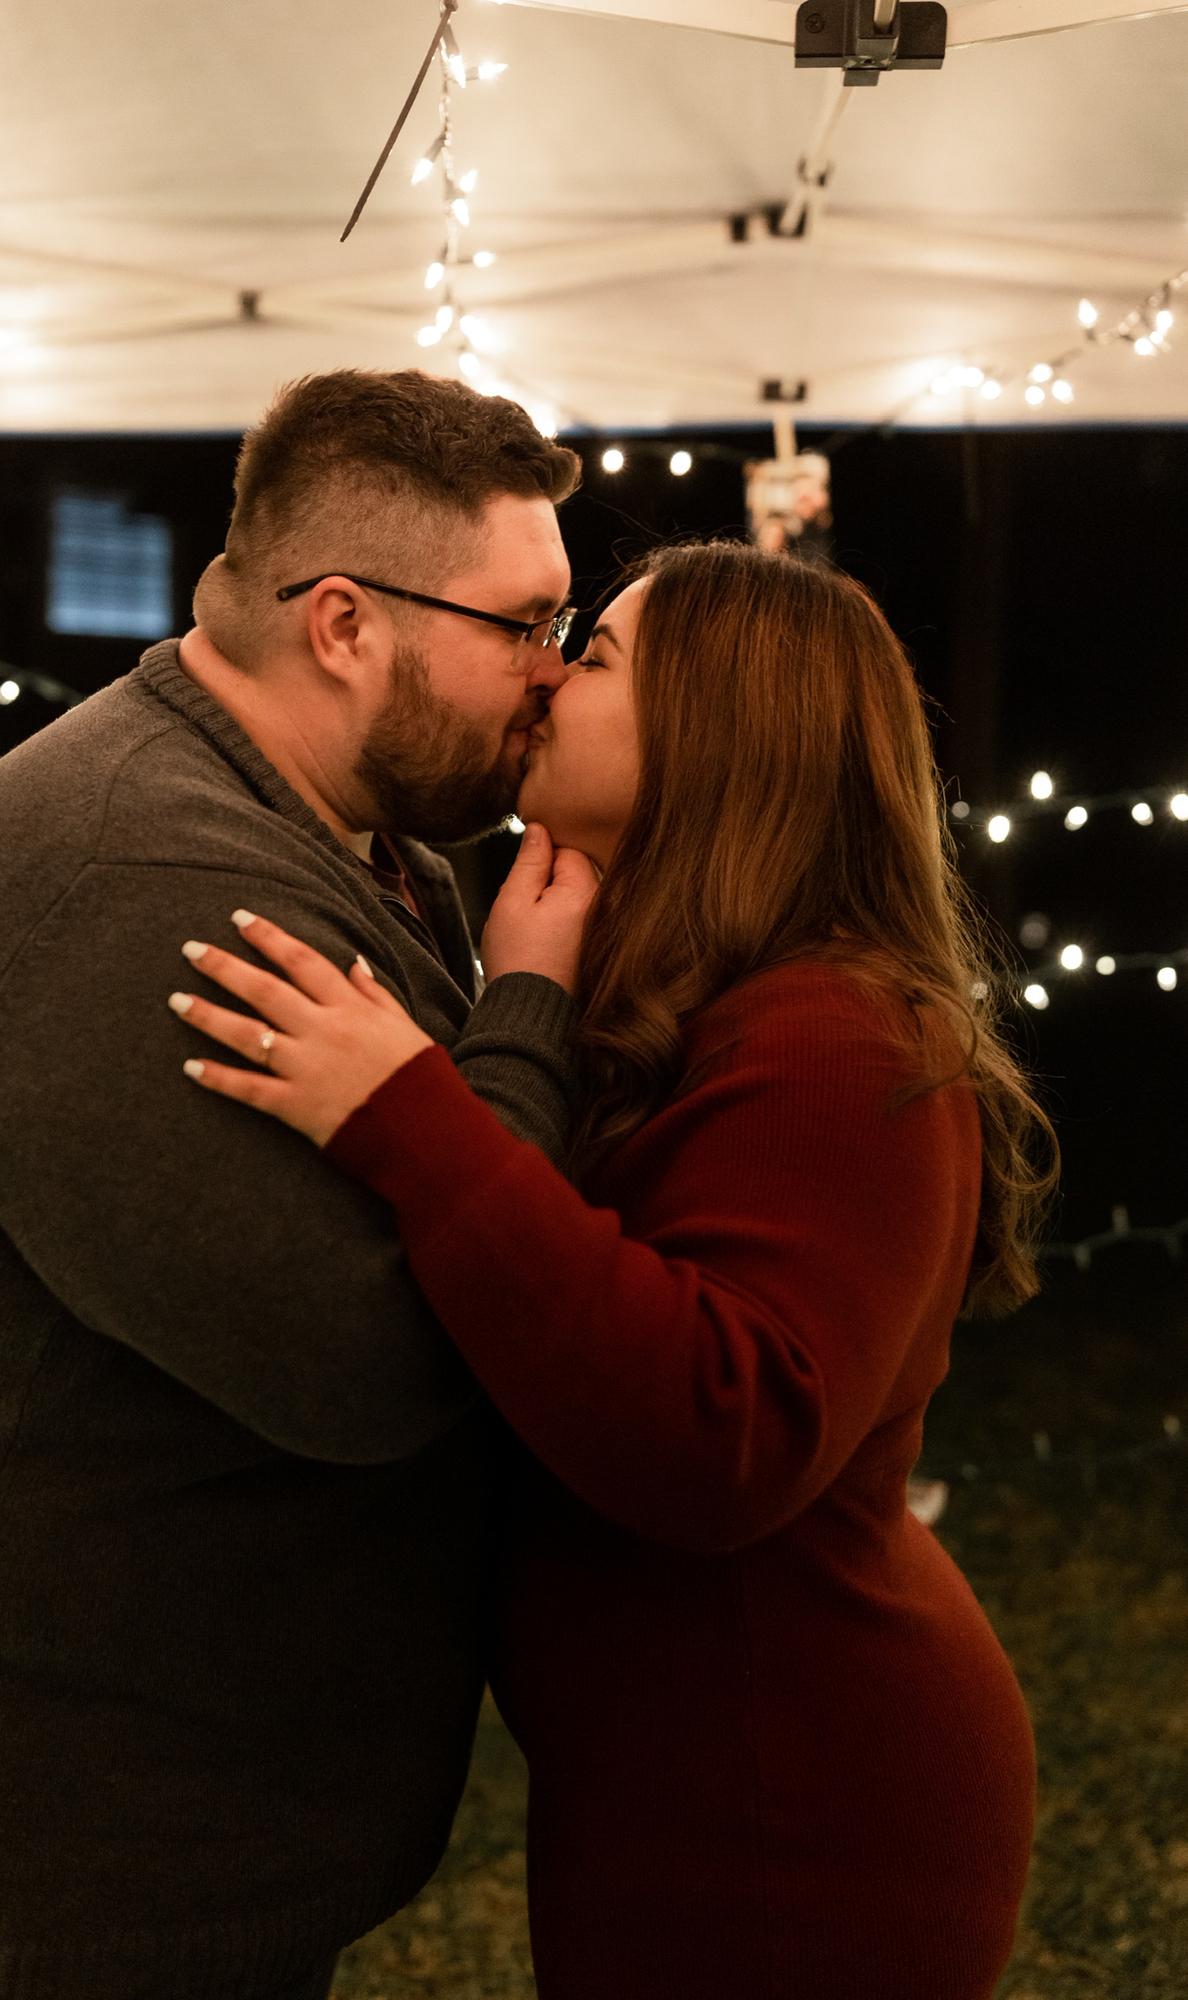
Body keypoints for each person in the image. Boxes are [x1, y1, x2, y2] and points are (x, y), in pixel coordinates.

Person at [167, 539, 1061, 2000]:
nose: (542, 675)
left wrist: (408, 1115)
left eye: (592, 656)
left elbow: (724, 1431)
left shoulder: (837, 1036)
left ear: (717, 730)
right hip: (688, 1781)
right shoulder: (703, 999)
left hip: (800, 1812)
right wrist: (529, 996)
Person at [0, 368, 600, 2000]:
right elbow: (388, 1363)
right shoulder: (136, 885)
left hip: (173, 1846)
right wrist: (532, 1009)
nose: (553, 674)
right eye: (526, 626)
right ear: (344, 623)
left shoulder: (331, 828)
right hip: (62, 1898)